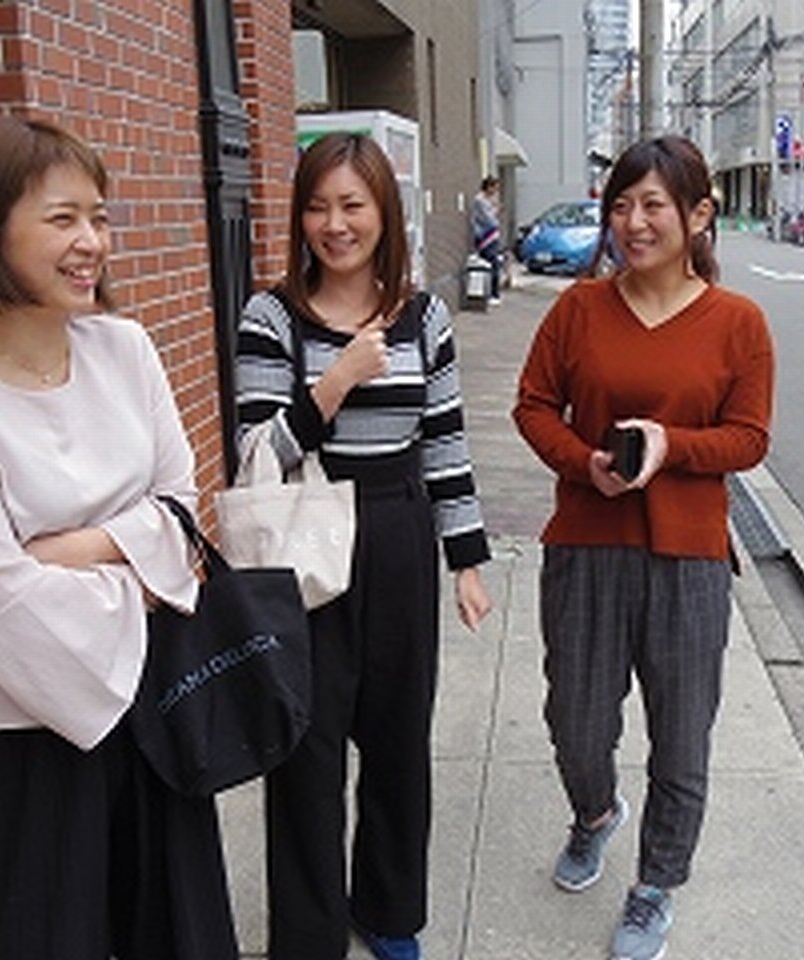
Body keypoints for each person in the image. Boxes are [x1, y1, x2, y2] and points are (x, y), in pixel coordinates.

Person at [0, 115, 238, 960]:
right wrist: (135, 556)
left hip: (161, 700)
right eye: (62, 218)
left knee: (182, 936)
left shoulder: (127, 347)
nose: (93, 242)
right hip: (21, 729)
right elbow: (2, 602)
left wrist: (61, 552)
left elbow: (183, 515)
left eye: (100, 216)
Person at [513, 135, 774, 960]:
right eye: (620, 204)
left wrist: (670, 447)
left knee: (682, 735)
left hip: (690, 555)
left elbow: (749, 438)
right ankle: (595, 813)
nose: (633, 221)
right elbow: (532, 408)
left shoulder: (738, 323)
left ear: (698, 215)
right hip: (587, 542)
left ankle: (656, 883)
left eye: (653, 204)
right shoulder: (577, 309)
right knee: (575, 722)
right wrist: (586, 463)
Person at [234, 132, 493, 960]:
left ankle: (387, 911)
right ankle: (307, 937)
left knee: (396, 741)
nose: (334, 224)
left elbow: (446, 444)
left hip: (397, 531)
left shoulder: (426, 315)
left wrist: (467, 559)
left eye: (352, 204)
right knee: (304, 749)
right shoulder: (271, 315)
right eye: (317, 205)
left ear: (384, 210)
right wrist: (336, 381)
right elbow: (254, 454)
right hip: (306, 537)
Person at [471, 174, 504, 304]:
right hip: (485, 238)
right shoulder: (480, 200)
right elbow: (490, 220)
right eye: (494, 188)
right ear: (488, 187)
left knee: (493, 264)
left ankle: (492, 293)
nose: (495, 191)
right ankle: (492, 294)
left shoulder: (486, 200)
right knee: (492, 264)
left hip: (491, 236)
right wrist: (496, 209)